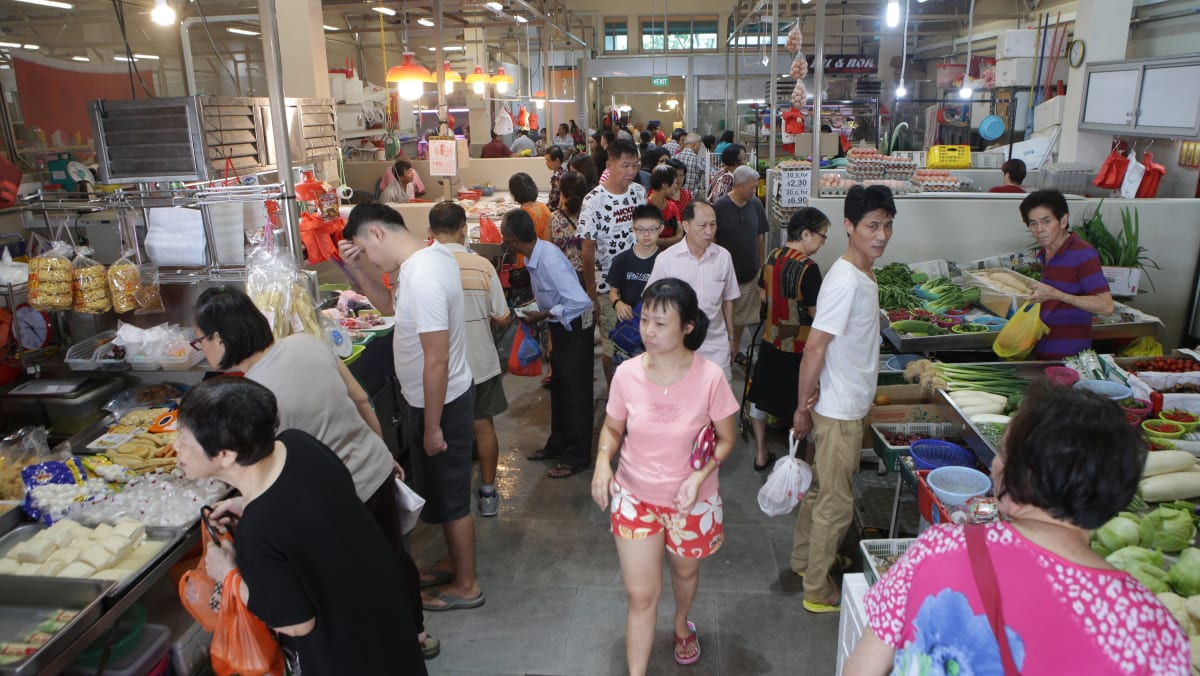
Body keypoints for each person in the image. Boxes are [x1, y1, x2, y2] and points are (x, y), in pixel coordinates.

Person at [847, 384, 1190, 674]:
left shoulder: (938, 549)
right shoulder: (1152, 628)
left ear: (1019, 474)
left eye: (1003, 452)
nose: (996, 463)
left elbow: (862, 669)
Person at [191, 287, 437, 660]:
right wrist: (383, 452)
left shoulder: (252, 396)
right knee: (393, 559)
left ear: (219, 339)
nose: (201, 349)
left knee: (351, 584)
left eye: (200, 341)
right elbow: (360, 399)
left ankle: (377, 651)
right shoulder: (306, 342)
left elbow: (271, 471)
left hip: (337, 499)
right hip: (376, 470)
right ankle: (415, 634)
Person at [180, 377, 427, 674]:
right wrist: (246, 503)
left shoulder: (257, 530)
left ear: (226, 454)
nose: (176, 448)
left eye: (184, 441)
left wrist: (228, 575)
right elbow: (316, 506)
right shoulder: (298, 444)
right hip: (386, 614)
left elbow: (296, 624)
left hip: (348, 654)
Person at [590, 278, 739, 675]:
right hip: (635, 496)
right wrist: (603, 461)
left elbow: (726, 439)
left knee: (685, 571)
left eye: (660, 323)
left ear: (687, 327)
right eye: (645, 321)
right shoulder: (627, 374)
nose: (648, 331)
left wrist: (699, 476)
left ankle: (681, 623)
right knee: (641, 595)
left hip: (692, 500)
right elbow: (612, 428)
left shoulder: (710, 377)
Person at [339, 203, 484, 613]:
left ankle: (467, 585)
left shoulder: (423, 276)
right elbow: (390, 307)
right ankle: (455, 562)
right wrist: (359, 271)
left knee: (453, 499)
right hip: (433, 400)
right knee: (444, 492)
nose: (372, 260)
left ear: (377, 234)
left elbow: (436, 359)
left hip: (443, 403)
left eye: (367, 252)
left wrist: (433, 426)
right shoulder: (427, 258)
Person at [790, 185, 895, 614]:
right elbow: (814, 348)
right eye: (872, 226)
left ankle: (805, 561)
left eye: (887, 225)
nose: (881, 235)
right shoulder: (845, 281)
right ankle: (818, 588)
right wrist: (802, 408)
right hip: (838, 409)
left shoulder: (863, 273)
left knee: (822, 491)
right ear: (850, 226)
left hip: (844, 401)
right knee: (835, 503)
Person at [428, 202, 512, 518]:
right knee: (483, 426)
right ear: (464, 229)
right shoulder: (482, 266)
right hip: (480, 362)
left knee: (444, 431)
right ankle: (488, 493)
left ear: (430, 232)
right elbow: (502, 316)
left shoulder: (421, 267)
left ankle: (452, 497)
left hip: (440, 367)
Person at [502, 209, 596, 479]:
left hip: (575, 329)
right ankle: (558, 444)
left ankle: (577, 457)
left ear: (514, 239)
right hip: (561, 327)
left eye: (504, 237)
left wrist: (543, 315)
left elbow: (580, 302)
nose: (503, 243)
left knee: (575, 393)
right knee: (560, 389)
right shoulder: (535, 255)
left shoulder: (549, 260)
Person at [746, 208, 829, 472]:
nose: (823, 243)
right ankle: (807, 463)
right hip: (799, 349)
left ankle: (761, 453)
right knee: (807, 404)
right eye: (822, 236)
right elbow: (817, 314)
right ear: (805, 234)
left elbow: (762, 293)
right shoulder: (809, 268)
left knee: (760, 397)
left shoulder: (773, 256)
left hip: (771, 341)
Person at [646, 201, 739, 384]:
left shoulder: (723, 257)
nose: (709, 232)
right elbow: (650, 302)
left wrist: (731, 337)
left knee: (720, 396)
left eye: (713, 225)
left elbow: (728, 300)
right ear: (686, 226)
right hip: (676, 349)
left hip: (716, 347)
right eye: (702, 226)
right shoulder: (667, 260)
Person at [578, 139, 647, 385]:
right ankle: (614, 392)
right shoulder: (593, 200)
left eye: (635, 165)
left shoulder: (639, 193)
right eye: (625, 165)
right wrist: (591, 294)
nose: (631, 171)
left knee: (640, 338)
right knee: (611, 344)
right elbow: (587, 250)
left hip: (640, 282)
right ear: (610, 165)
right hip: (607, 286)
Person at [1020, 189, 1113, 359]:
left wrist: (1057, 295)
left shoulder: (1083, 254)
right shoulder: (1044, 254)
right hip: (1043, 351)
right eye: (1033, 223)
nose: (1039, 229)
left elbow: (1106, 306)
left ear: (1063, 221)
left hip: (1070, 358)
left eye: (1046, 221)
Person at [713, 165, 769, 367]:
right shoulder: (719, 207)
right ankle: (723, 350)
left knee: (741, 317)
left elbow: (760, 235)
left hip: (749, 273)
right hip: (724, 276)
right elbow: (713, 240)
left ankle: (734, 349)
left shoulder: (756, 204)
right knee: (722, 315)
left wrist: (760, 264)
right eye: (752, 187)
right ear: (738, 185)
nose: (755, 190)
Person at [606, 204, 664, 338]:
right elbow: (613, 292)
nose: (646, 234)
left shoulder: (665, 261)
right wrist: (618, 303)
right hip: (628, 328)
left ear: (661, 229)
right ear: (633, 229)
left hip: (657, 330)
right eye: (641, 229)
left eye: (652, 229)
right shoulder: (621, 259)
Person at [551, 170, 588, 281]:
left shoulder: (553, 218)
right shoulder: (590, 214)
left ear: (562, 192)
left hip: (561, 275)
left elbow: (547, 252)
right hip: (586, 274)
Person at [645, 165, 683, 248]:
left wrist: (656, 241)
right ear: (665, 185)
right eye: (675, 183)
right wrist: (671, 241)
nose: (676, 186)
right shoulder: (644, 208)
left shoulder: (673, 206)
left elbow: (680, 236)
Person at [511, 171, 552, 242]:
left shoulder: (522, 216)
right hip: (546, 248)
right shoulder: (543, 207)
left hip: (532, 249)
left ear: (514, 193)